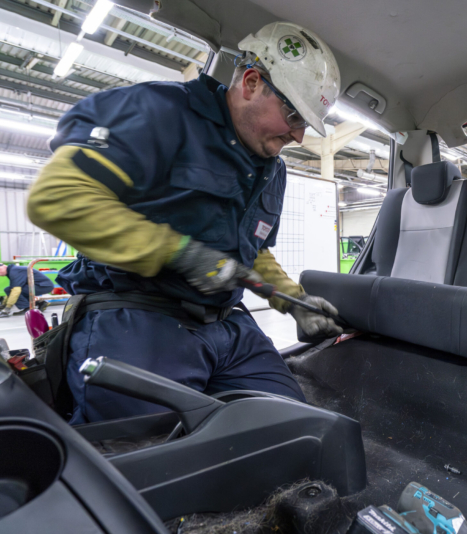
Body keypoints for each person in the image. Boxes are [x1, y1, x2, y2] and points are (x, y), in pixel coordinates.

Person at [27, 21, 344, 424]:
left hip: (228, 326)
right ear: (250, 83)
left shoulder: (271, 169)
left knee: (298, 431)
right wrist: (180, 253)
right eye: (295, 115)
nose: (299, 136)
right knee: (154, 461)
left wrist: (291, 299)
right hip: (138, 318)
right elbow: (56, 198)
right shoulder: (157, 112)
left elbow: (253, 250)